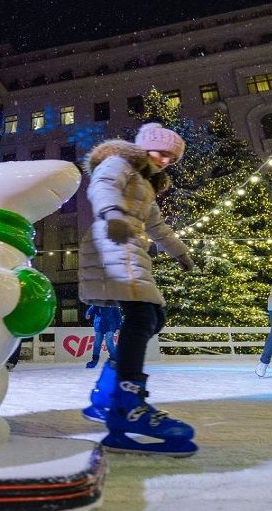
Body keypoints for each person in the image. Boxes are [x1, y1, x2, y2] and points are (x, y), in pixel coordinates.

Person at [78, 123, 197, 456]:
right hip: (113, 238)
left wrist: (180, 252)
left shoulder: (146, 182)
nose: (166, 161)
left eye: (172, 158)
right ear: (143, 148)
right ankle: (126, 407)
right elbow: (102, 184)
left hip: (132, 245)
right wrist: (113, 212)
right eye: (161, 153)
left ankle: (108, 395)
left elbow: (156, 225)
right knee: (142, 314)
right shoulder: (120, 163)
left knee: (153, 317)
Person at [84, 304, 121, 369]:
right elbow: (91, 310)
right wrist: (88, 314)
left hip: (110, 326)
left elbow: (118, 316)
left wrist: (118, 327)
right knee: (97, 343)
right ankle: (95, 360)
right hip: (99, 325)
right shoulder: (98, 303)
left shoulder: (113, 304)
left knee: (109, 342)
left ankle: (114, 359)